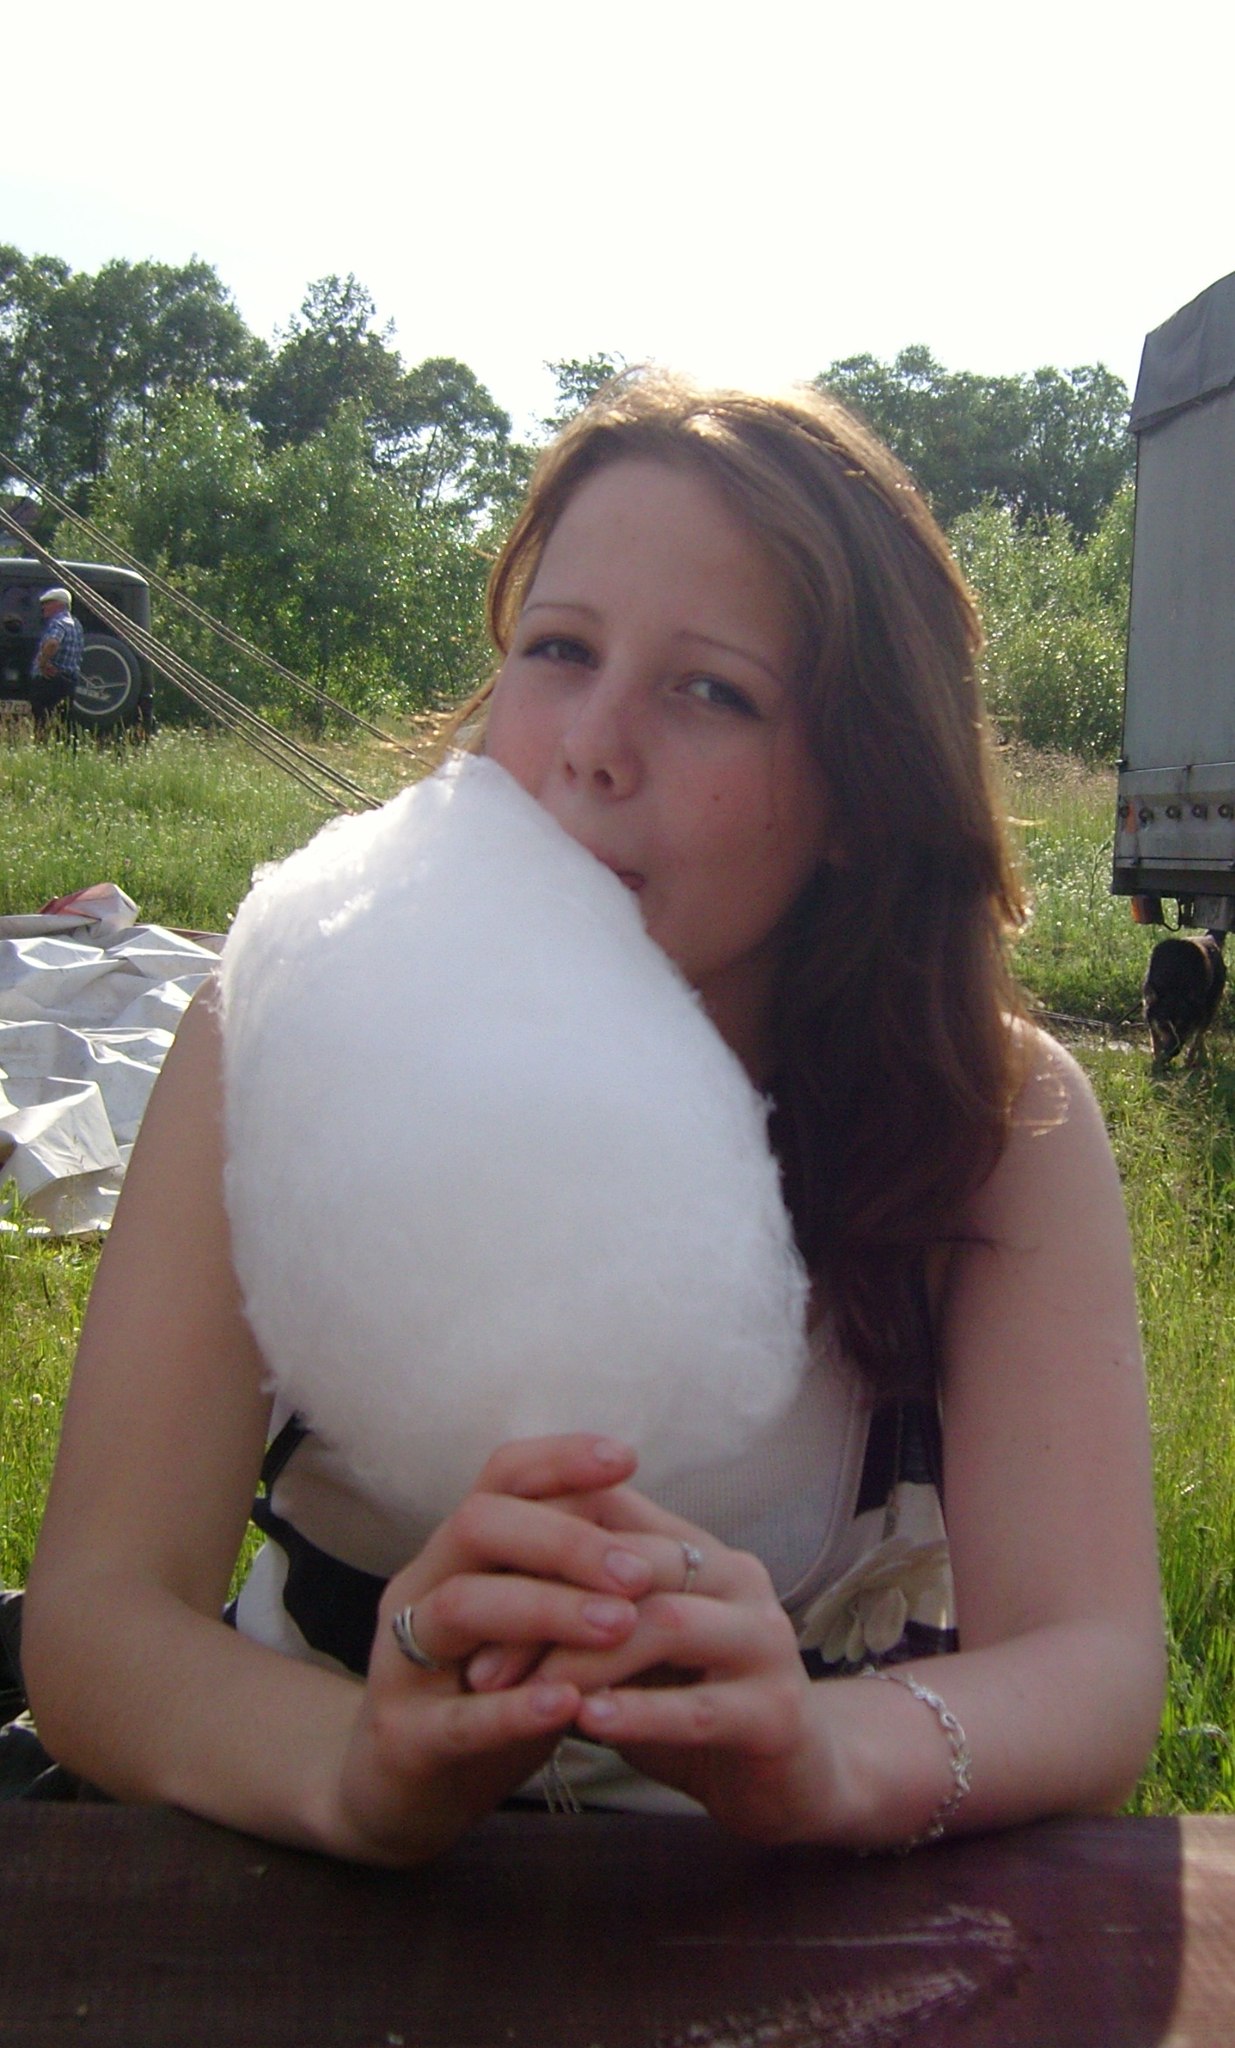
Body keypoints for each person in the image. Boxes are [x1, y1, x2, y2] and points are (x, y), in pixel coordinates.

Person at [20, 374, 1164, 1863]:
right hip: (313, 1904)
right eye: (559, 650)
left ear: (859, 796)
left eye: (711, 691)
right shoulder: (270, 1035)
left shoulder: (995, 1128)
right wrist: (357, 1772)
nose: (592, 744)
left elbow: (1090, 1664)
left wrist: (823, 1758)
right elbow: (96, 1625)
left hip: (798, 1928)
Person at [26, 586, 84, 735]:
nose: (43, 607)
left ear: (59, 604)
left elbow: (52, 643)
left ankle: (43, 746)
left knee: (42, 723)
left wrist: (43, 663)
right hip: (69, 682)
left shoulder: (58, 622)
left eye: (48, 603)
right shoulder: (76, 624)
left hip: (50, 681)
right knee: (62, 724)